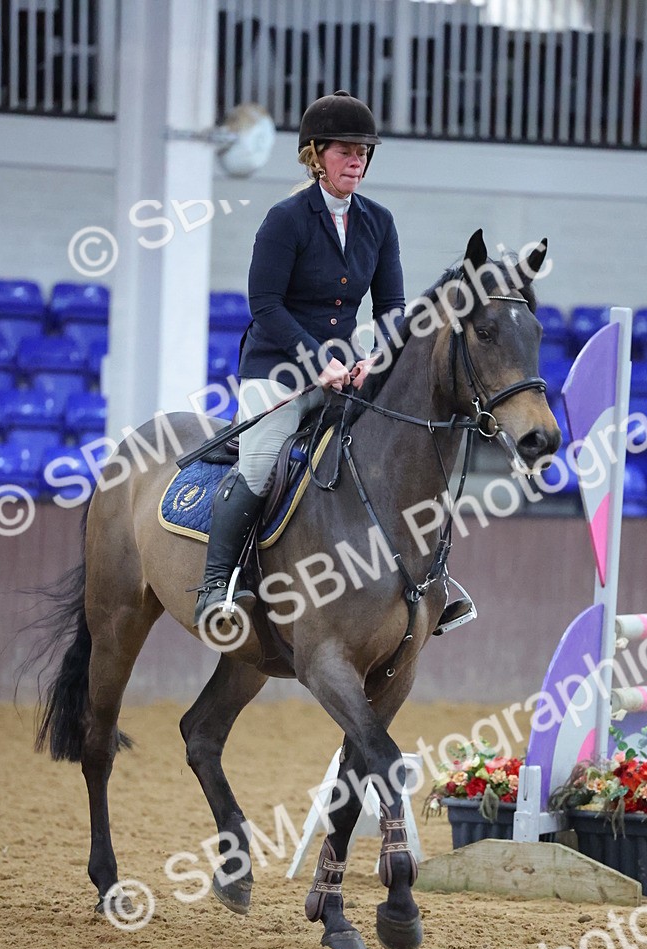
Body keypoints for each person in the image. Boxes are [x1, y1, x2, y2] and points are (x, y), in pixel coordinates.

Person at [193, 89, 475, 637]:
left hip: (348, 370)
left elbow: (391, 306)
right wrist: (315, 359)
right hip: (277, 369)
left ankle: (435, 581)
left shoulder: (379, 222)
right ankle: (215, 584)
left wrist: (378, 357)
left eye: (364, 152)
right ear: (315, 154)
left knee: (402, 452)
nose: (357, 160)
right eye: (346, 150)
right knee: (260, 461)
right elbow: (265, 305)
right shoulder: (286, 219)